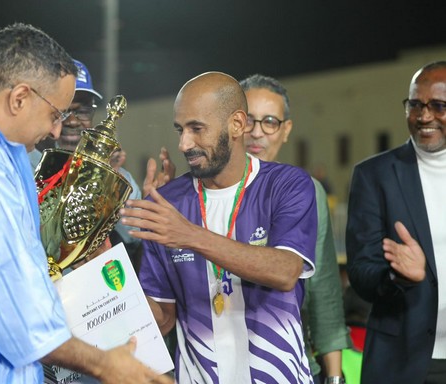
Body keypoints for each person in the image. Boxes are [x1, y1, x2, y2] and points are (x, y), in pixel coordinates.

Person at [0, 22, 171, 384]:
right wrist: (105, 364)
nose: (56, 130)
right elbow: (20, 316)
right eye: (55, 114)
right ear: (19, 98)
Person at [121, 71, 318, 383]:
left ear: (237, 125)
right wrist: (105, 272)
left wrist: (189, 235)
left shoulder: (287, 185)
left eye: (197, 129)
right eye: (180, 130)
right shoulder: (166, 203)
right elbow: (162, 319)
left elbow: (285, 272)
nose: (184, 143)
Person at [239, 74, 351, 384]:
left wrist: (334, 377)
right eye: (248, 120)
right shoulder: (202, 193)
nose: (257, 133)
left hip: (291, 369)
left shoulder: (308, 192)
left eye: (270, 122)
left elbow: (324, 291)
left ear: (286, 129)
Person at [346, 60, 446, 383]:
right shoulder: (374, 175)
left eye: (438, 106)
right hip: (402, 361)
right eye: (415, 104)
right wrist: (398, 276)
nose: (424, 116)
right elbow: (361, 272)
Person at [31, 58, 142, 258]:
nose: (73, 121)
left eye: (82, 111)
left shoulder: (119, 178)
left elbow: (135, 237)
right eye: (64, 112)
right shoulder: (25, 163)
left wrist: (106, 188)